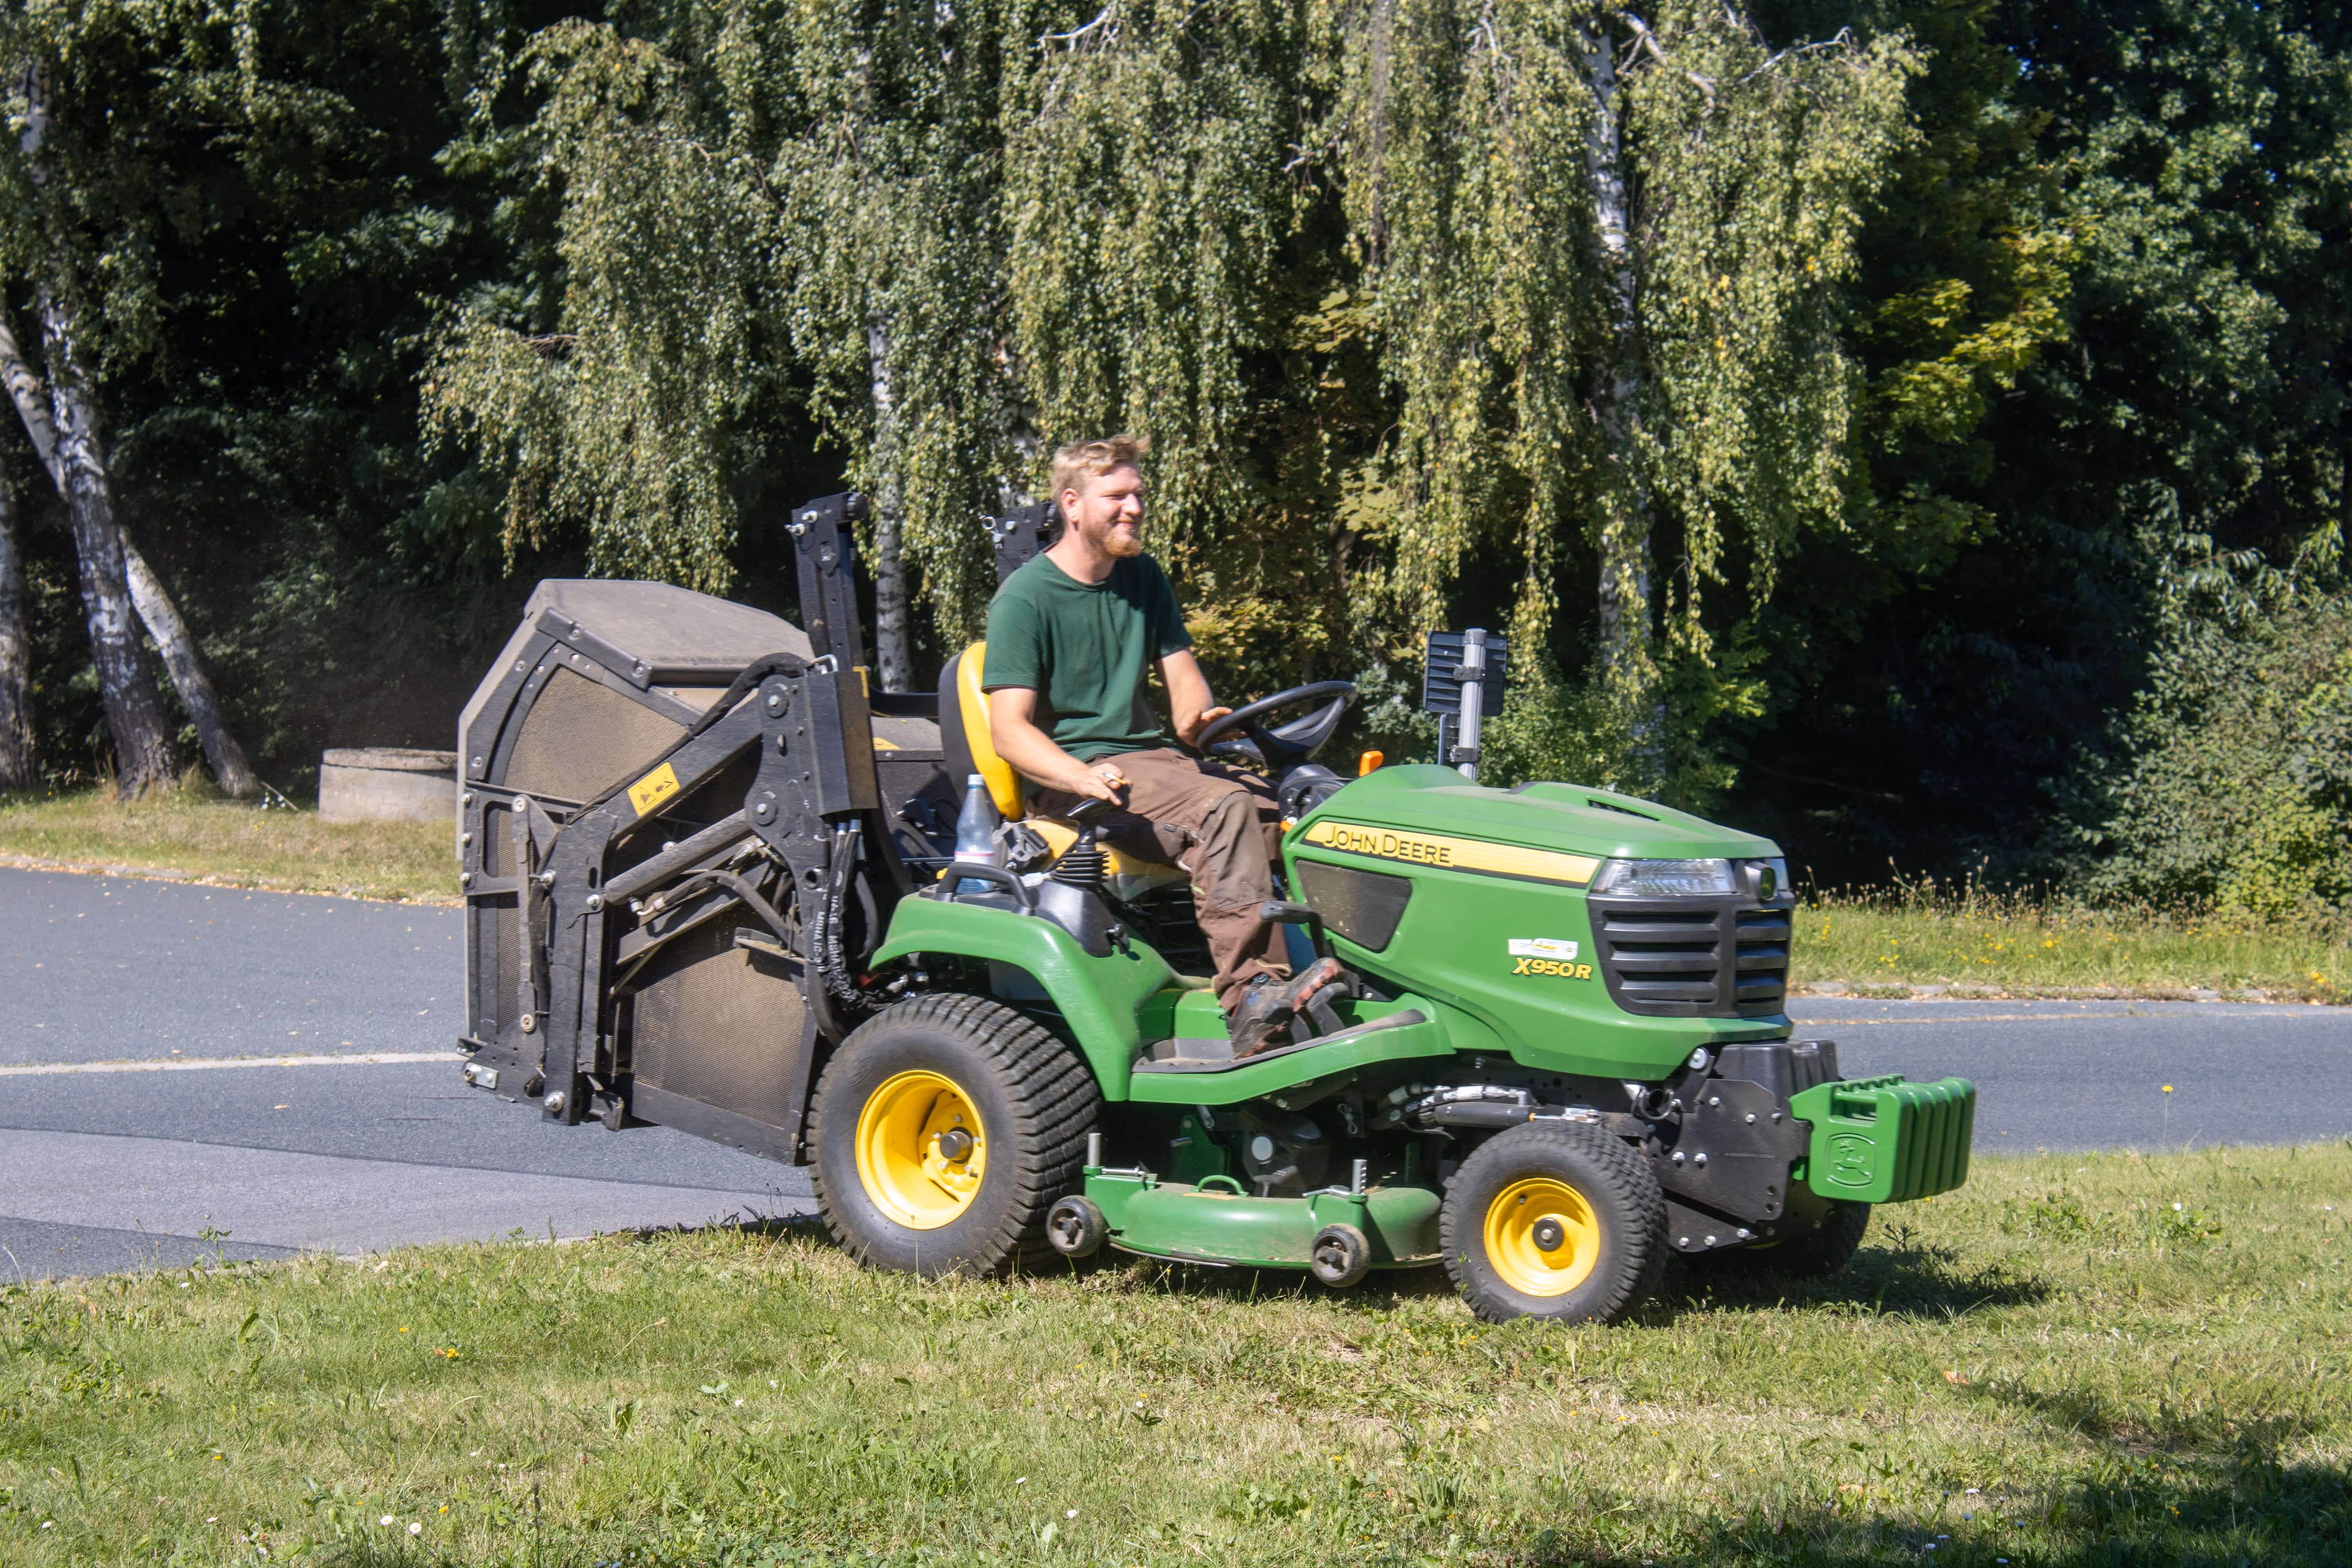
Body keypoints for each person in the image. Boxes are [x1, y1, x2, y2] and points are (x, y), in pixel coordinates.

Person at [982, 434, 1340, 1056]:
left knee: (1307, 810)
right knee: (1224, 810)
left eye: (1139, 495)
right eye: (1117, 496)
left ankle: (1341, 972)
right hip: (1083, 778)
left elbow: (1185, 698)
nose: (1135, 508)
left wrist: (1207, 722)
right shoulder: (1025, 599)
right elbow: (1009, 731)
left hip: (1157, 764)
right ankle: (1253, 995)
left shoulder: (1143, 578)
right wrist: (1078, 777)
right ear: (1072, 505)